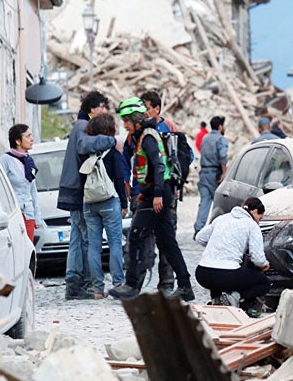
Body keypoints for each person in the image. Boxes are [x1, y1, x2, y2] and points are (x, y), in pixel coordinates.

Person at [110, 100, 195, 301]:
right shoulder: (143, 136)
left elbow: (158, 166)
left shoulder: (148, 137)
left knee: (136, 236)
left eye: (126, 121)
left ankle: (131, 284)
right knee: (167, 243)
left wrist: (156, 193)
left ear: (136, 120)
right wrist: (146, 191)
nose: (124, 125)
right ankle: (185, 286)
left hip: (158, 195)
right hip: (154, 193)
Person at [58, 91, 117, 300]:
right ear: (91, 108)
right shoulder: (83, 126)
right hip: (77, 189)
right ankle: (80, 283)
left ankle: (74, 283)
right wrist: (111, 141)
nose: (103, 110)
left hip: (71, 188)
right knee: (84, 238)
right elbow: (85, 145)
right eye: (100, 106)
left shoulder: (80, 125)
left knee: (76, 236)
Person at [195, 197, 270, 317]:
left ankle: (217, 299)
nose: (258, 222)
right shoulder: (252, 225)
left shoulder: (222, 218)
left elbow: (200, 237)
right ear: (255, 211)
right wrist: (265, 264)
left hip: (202, 273)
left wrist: (216, 245)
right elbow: (257, 258)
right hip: (227, 275)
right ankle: (236, 296)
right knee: (264, 283)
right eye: (259, 218)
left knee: (220, 275)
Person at [82, 114, 128, 300]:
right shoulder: (113, 152)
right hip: (109, 201)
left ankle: (98, 289)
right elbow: (119, 177)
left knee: (94, 245)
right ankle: (118, 284)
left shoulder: (86, 151)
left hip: (89, 202)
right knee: (115, 242)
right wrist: (124, 203)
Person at [1, 124, 42, 243]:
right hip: (12, 214)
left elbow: (33, 190)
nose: (32, 139)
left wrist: (37, 216)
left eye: (31, 135)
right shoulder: (5, 160)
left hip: (28, 214)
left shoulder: (29, 161)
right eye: (28, 136)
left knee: (28, 250)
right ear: (18, 141)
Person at [194, 116, 228, 236]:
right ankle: (219, 229)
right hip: (215, 174)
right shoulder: (221, 139)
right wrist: (224, 173)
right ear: (220, 126)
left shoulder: (205, 138)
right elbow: (223, 156)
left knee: (205, 201)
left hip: (204, 173)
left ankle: (198, 228)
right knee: (219, 203)